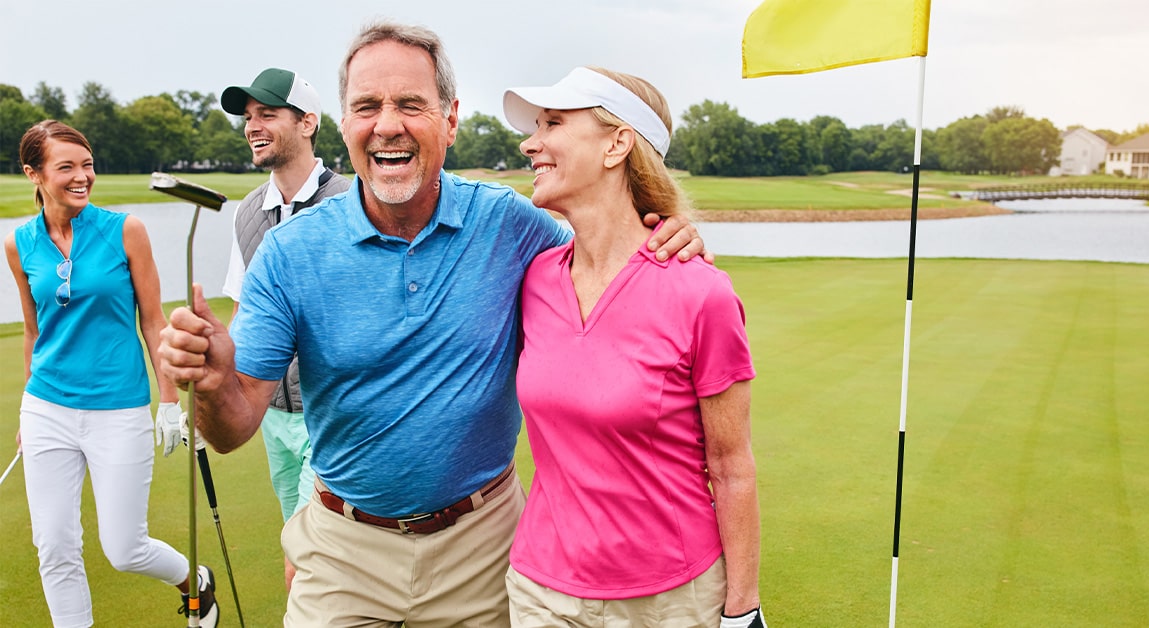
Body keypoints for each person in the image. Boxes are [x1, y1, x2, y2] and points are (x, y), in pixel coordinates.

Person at [158, 21, 704, 627]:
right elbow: (233, 426)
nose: (386, 124)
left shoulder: (512, 225)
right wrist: (208, 384)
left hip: (483, 544)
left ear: (450, 120)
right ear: (344, 125)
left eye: (410, 104)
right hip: (344, 552)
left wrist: (670, 225)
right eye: (366, 106)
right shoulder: (289, 252)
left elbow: (612, 246)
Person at [502, 67, 766, 627]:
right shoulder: (535, 278)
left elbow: (732, 465)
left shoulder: (701, 293)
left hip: (671, 600)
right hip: (541, 591)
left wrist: (742, 610)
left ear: (617, 144)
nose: (530, 142)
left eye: (552, 123)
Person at [3, 120, 219, 628]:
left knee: (124, 548)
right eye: (67, 168)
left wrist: (169, 401)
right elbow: (34, 333)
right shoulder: (19, 243)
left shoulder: (126, 230)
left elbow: (152, 321)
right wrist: (26, 413)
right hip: (46, 409)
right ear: (34, 174)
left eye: (88, 165)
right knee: (53, 546)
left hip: (118, 409)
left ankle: (195, 582)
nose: (82, 177)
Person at [218, 66, 351, 591]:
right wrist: (214, 390)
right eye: (249, 117)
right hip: (274, 415)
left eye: (267, 114)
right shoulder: (248, 212)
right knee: (311, 552)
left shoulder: (353, 202)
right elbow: (242, 314)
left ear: (307, 123)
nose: (253, 125)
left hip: (335, 413)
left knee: (304, 560)